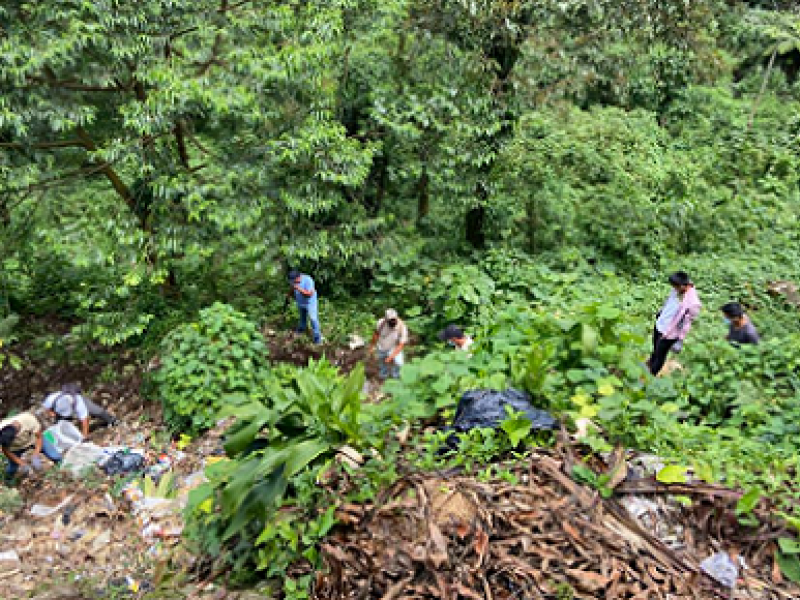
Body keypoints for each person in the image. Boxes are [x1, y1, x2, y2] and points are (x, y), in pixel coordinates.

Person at [647, 271, 702, 376]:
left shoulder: (693, 303)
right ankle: (650, 363)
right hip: (660, 323)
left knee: (660, 355)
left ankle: (651, 375)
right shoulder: (677, 289)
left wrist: (680, 338)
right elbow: (669, 302)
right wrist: (661, 313)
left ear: (683, 286)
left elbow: (686, 324)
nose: (673, 289)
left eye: (675, 287)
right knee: (655, 348)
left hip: (670, 333)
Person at [0, 411, 61, 480]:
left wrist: (36, 455)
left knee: (55, 456)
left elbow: (39, 437)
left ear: (16, 435)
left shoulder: (28, 419)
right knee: (12, 468)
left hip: (33, 440)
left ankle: (62, 471)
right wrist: (22, 463)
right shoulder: (2, 431)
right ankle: (8, 481)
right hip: (15, 448)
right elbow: (6, 451)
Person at [42, 382, 117, 438]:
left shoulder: (78, 402)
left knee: (97, 411)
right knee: (59, 425)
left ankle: (111, 420)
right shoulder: (51, 399)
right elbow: (45, 408)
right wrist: (50, 413)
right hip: (59, 412)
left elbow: (85, 420)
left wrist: (84, 436)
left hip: (80, 402)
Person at [369, 309, 409, 380]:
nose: (393, 321)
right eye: (391, 320)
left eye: (394, 319)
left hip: (394, 347)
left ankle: (396, 375)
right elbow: (376, 334)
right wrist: (372, 346)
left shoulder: (402, 327)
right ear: (386, 319)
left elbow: (401, 345)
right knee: (382, 361)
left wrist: (391, 357)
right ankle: (383, 375)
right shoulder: (381, 323)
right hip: (381, 346)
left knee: (399, 363)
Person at [287, 270, 322, 344]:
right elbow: (292, 288)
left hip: (310, 303)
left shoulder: (308, 280)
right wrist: (289, 296)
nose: (293, 282)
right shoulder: (293, 281)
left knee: (313, 319)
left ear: (298, 277)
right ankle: (301, 330)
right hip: (300, 302)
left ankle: (317, 339)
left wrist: (298, 288)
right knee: (302, 318)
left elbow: (309, 294)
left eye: (294, 281)